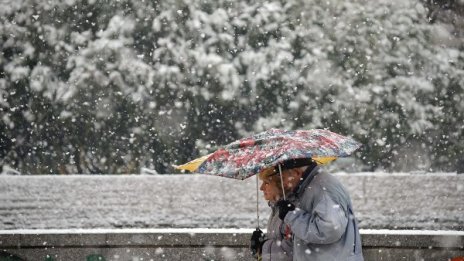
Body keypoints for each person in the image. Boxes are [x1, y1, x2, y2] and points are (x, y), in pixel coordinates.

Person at [274, 158, 364, 261]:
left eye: (283, 177)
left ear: (296, 173)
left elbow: (330, 229)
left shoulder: (322, 187)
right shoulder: (310, 186)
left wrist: (292, 216)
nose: (283, 183)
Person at [250, 167, 293, 261]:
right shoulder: (276, 208)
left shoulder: (290, 209)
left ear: (280, 185)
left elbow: (290, 251)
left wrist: (262, 247)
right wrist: (261, 244)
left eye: (266, 183)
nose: (261, 188)